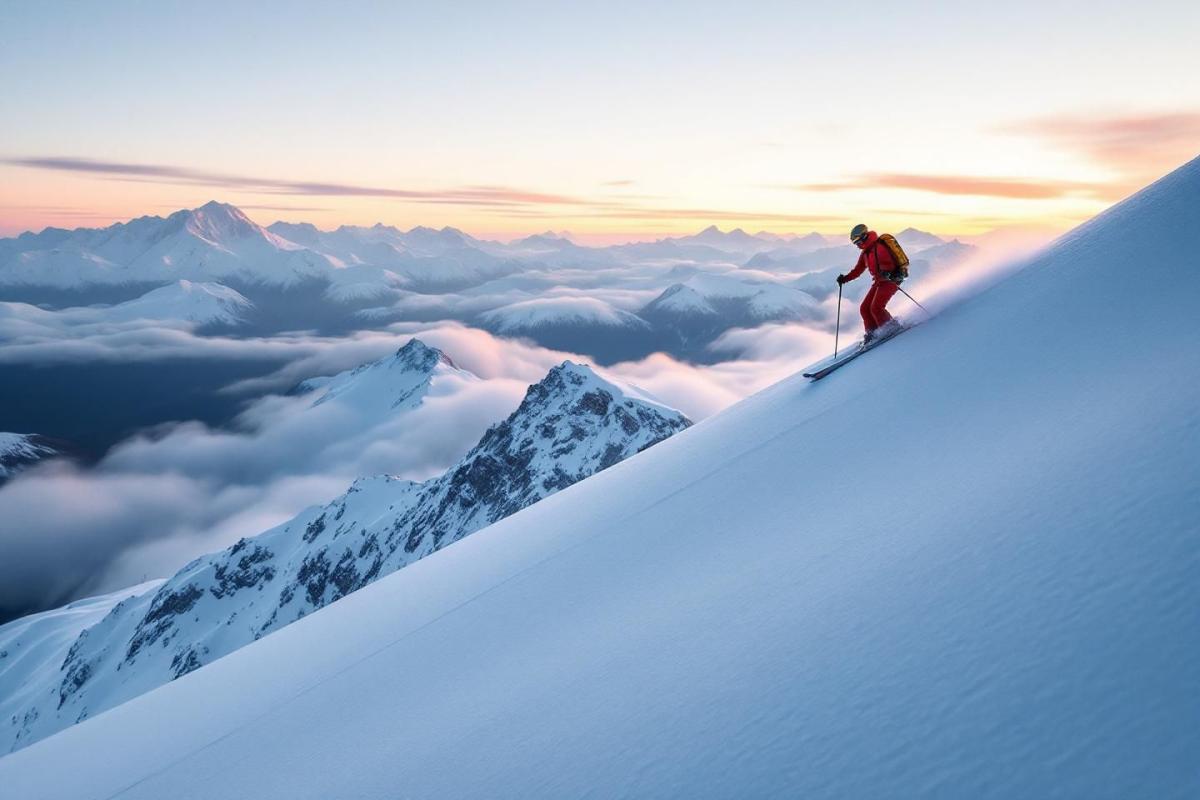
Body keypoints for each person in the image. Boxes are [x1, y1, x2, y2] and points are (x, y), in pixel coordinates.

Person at [837, 223, 903, 345]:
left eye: (857, 242)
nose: (857, 245)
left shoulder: (880, 247)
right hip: (879, 282)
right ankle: (873, 333)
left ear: (864, 237)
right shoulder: (866, 253)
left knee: (876, 308)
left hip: (891, 280)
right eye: (855, 243)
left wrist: (890, 273)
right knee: (864, 308)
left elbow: (894, 264)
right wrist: (844, 279)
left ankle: (890, 328)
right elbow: (858, 270)